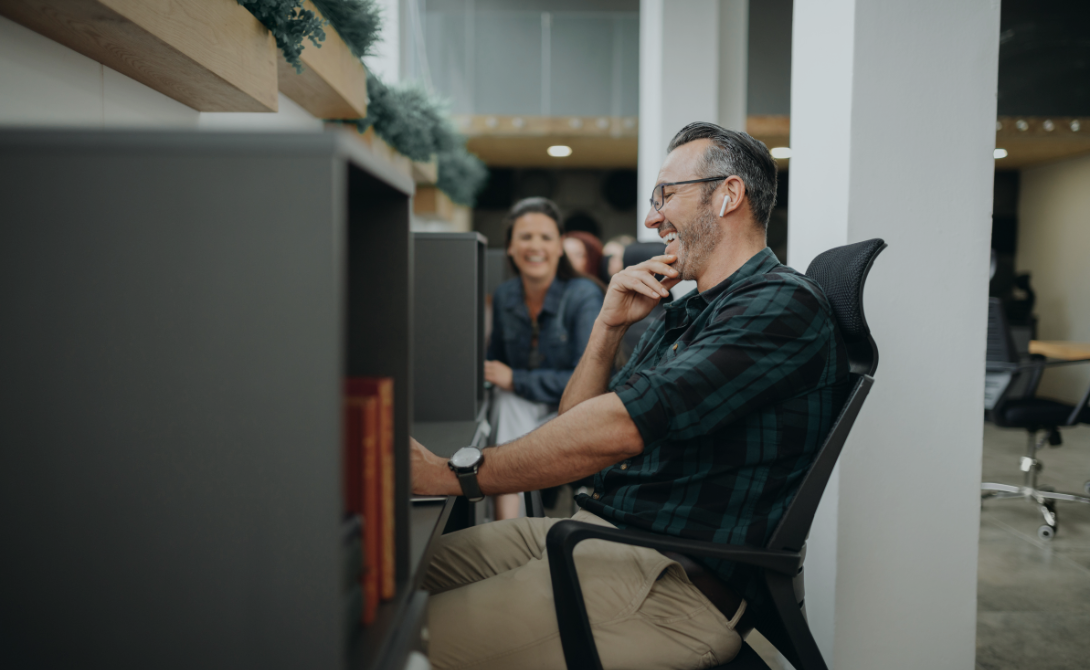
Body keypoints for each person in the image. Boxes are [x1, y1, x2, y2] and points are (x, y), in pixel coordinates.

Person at [411, 122, 850, 670]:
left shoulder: (779, 304)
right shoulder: (689, 310)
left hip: (666, 582)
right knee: (380, 585)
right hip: (599, 538)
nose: (651, 217)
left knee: (395, 645)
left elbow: (619, 428)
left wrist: (455, 476)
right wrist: (608, 326)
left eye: (666, 195)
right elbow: (579, 424)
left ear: (728, 195)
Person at [484, 197, 605, 519]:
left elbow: (589, 381)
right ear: (510, 247)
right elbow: (493, 361)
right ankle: (509, 525)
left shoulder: (583, 295)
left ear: (559, 247)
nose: (535, 245)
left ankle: (508, 522)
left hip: (574, 412)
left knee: (509, 397)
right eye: (525, 237)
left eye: (545, 237)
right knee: (504, 401)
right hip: (522, 413)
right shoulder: (505, 296)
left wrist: (516, 379)